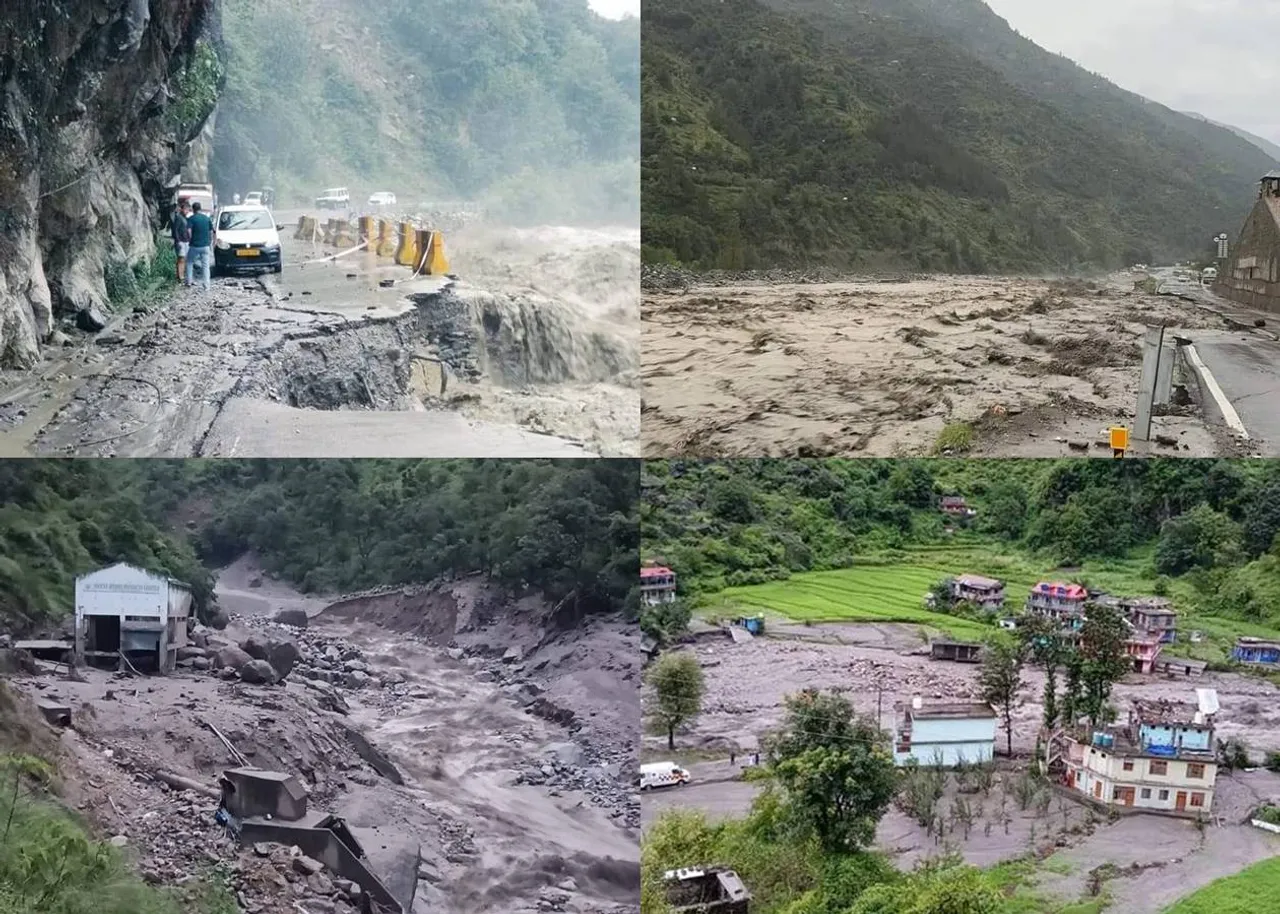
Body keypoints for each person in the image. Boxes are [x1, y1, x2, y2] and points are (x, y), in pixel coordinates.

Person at [185, 201, 214, 291]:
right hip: (205, 246)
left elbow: (189, 231)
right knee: (205, 266)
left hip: (194, 245)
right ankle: (207, 286)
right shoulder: (206, 218)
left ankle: (189, 281)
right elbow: (211, 231)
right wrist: (210, 241)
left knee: (189, 262)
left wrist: (190, 239)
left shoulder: (191, 219)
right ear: (200, 208)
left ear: (193, 209)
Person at [170, 198, 191, 284]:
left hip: (185, 241)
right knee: (181, 258)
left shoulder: (185, 218)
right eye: (186, 209)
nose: (187, 211)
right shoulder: (178, 218)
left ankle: (180, 275)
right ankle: (180, 276)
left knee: (183, 258)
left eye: (188, 210)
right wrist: (178, 241)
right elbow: (175, 230)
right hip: (181, 241)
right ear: (182, 209)